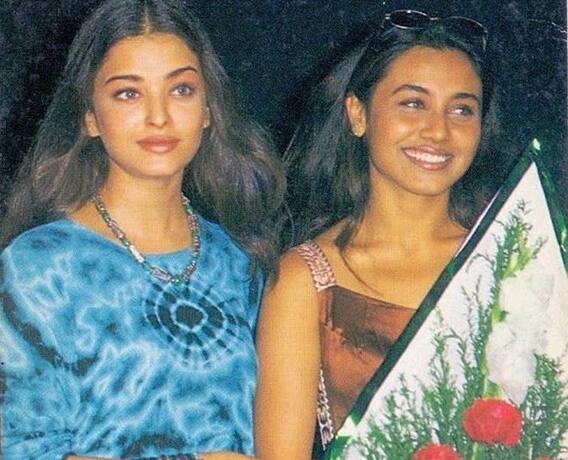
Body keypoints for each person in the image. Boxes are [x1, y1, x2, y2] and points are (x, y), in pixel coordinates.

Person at [0, 0, 284, 458]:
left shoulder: (239, 261)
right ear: (89, 116)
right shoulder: (39, 266)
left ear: (208, 110)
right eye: (128, 93)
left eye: (181, 90)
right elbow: (20, 448)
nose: (159, 116)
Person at [255, 10, 509, 460]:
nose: (438, 130)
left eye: (462, 110)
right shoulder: (305, 278)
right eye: (413, 103)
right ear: (358, 114)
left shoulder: (509, 256)